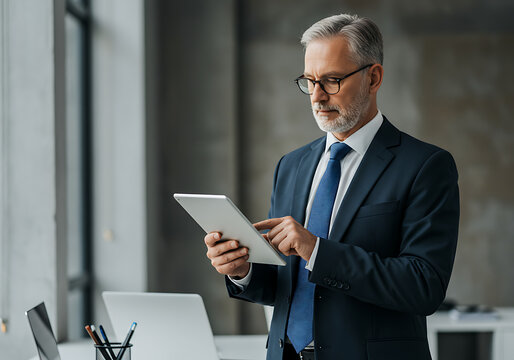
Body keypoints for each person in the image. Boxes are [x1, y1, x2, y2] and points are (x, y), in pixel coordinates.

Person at [204, 14, 459, 360]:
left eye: (332, 80)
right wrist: (243, 270)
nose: (317, 96)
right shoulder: (291, 166)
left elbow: (423, 286)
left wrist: (316, 250)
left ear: (374, 77)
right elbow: (285, 286)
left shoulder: (425, 166)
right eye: (309, 81)